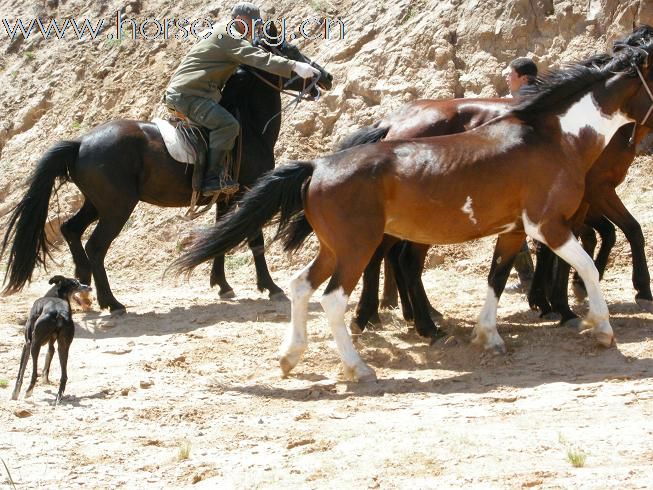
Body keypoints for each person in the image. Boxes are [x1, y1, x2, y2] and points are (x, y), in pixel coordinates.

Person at [163, 2, 320, 197]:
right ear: (239, 20)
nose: (254, 28)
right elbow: (258, 58)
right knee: (227, 125)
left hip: (191, 92)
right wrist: (294, 66)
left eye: (256, 24)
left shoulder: (221, 31)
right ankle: (211, 179)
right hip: (189, 96)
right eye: (252, 23)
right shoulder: (230, 35)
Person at [504, 57, 539, 289]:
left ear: (523, 78)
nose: (506, 77)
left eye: (510, 74)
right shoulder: (539, 97)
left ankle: (529, 279)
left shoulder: (525, 101)